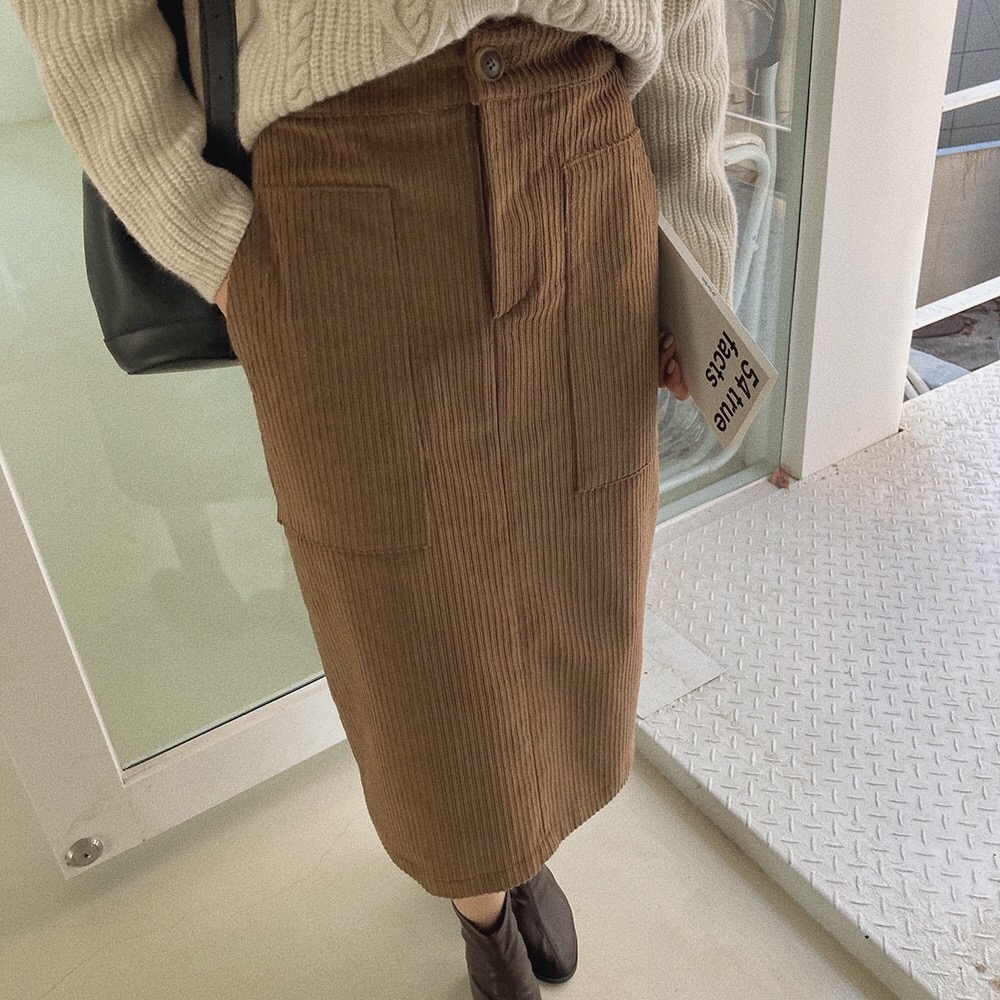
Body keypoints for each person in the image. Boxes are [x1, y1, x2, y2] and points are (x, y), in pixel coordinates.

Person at [12, 3, 736, 997]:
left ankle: (521, 838)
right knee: (408, 621)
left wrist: (691, 224)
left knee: (579, 558)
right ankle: (480, 900)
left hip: (588, 153)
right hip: (341, 187)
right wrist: (209, 236)